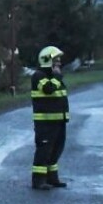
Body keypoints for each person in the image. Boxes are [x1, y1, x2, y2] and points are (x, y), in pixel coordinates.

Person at [30, 45, 69, 190]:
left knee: (55, 151)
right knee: (44, 151)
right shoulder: (38, 76)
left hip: (58, 121)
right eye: (56, 60)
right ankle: (38, 181)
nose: (59, 63)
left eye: (59, 60)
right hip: (45, 123)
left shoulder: (54, 77)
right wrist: (58, 76)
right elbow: (48, 89)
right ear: (47, 60)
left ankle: (52, 178)